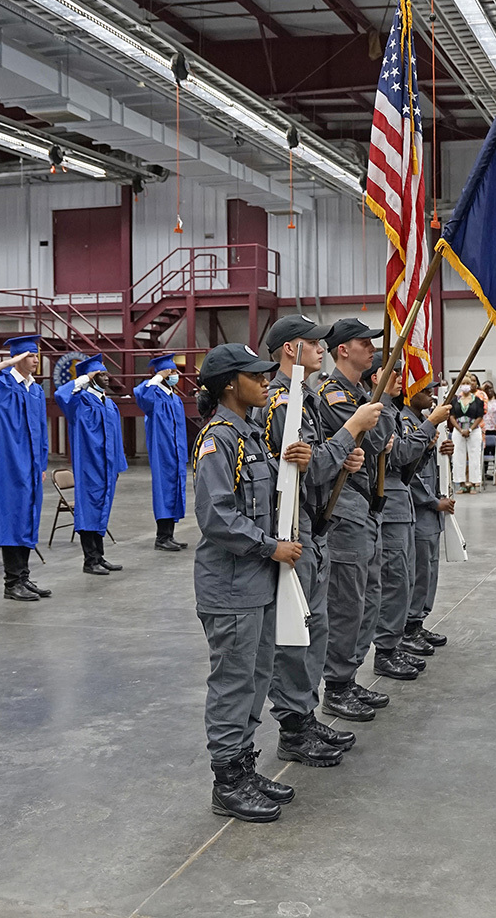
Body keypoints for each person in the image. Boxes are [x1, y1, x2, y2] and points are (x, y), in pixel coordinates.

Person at [262, 315, 384, 768]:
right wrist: (349, 432)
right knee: (295, 640)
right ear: (291, 349)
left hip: (314, 528)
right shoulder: (282, 402)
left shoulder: (305, 397)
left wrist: (342, 457)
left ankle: (305, 716)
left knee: (315, 631)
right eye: (313, 342)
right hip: (292, 532)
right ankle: (293, 728)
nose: (321, 348)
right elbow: (308, 469)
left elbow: (318, 460)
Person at [192, 342, 306, 824]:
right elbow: (216, 517)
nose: (264, 381)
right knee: (233, 685)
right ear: (228, 386)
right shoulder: (218, 439)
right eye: (254, 375)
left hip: (256, 582)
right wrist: (269, 546)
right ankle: (226, 783)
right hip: (231, 585)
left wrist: (297, 462)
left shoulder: (252, 435)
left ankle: (243, 767)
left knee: (256, 681)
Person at [317, 318, 394, 722]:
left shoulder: (362, 394)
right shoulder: (333, 394)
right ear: (343, 350)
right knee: (347, 602)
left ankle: (347, 677)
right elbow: (379, 441)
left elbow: (382, 438)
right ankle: (336, 684)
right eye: (365, 343)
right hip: (345, 507)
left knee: (368, 597)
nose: (372, 349)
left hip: (365, 506)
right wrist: (379, 428)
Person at [364, 353, 450, 681]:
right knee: (393, 581)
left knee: (407, 578)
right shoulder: (378, 411)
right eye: (395, 373)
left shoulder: (390, 413)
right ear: (376, 377)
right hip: (388, 505)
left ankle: (398, 638)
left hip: (402, 503)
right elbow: (397, 454)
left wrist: (427, 447)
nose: (401, 379)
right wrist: (429, 427)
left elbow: (404, 463)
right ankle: (387, 648)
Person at [0, 336, 50, 601]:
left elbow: (41, 429)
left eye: (36, 355)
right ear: (17, 358)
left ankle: (24, 577)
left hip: (32, 465)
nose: (36, 360)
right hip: (9, 465)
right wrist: (7, 363)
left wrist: (41, 462)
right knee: (11, 518)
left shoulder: (35, 390)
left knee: (28, 517)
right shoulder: (0, 387)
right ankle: (11, 582)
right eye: (30, 356)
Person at [54, 354, 128, 574]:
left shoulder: (109, 403)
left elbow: (117, 436)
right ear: (90, 377)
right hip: (88, 466)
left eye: (106, 374)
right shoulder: (80, 402)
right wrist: (83, 379)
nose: (107, 378)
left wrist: (118, 465)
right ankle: (90, 560)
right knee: (88, 510)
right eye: (100, 374)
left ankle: (99, 556)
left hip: (107, 466)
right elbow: (60, 394)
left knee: (102, 508)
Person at [404, 382, 455, 653]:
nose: (430, 394)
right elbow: (407, 474)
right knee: (418, 570)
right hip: (419, 507)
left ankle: (418, 622)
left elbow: (427, 464)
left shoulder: (422, 421)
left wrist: (443, 453)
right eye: (424, 389)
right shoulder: (405, 422)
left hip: (430, 509)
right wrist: (433, 501)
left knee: (429, 569)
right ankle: (408, 627)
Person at [135, 353, 189, 551]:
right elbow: (140, 394)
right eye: (171, 372)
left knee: (175, 492)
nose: (175, 375)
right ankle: (161, 538)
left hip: (176, 452)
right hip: (162, 453)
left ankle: (170, 535)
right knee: (164, 492)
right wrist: (157, 377)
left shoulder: (175, 398)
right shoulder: (154, 396)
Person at [449, 379, 484, 493]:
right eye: (463, 383)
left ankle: (473, 484)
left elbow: (480, 416)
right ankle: (461, 484)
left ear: (471, 385)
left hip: (474, 430)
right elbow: (452, 416)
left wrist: (470, 429)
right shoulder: (455, 401)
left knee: (474, 456)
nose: (465, 386)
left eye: (467, 384)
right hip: (458, 430)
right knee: (458, 456)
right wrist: (460, 430)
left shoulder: (478, 401)